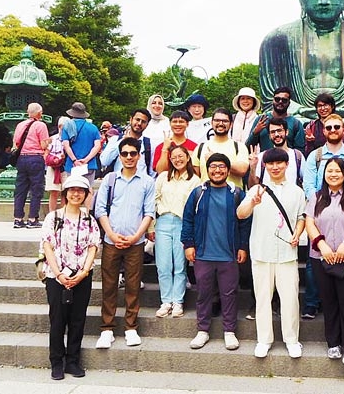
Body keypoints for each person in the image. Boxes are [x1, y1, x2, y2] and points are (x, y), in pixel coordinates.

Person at [237, 147, 306, 358]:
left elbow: (301, 217)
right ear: (264, 166)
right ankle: (264, 340)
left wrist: (297, 233)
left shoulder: (297, 191)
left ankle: (292, 340)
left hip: (287, 252)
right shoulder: (256, 190)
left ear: (286, 165)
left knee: (290, 299)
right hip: (261, 252)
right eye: (270, 163)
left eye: (279, 163)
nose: (275, 167)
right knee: (263, 298)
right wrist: (252, 202)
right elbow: (240, 214)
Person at [181, 153, 252, 351]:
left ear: (228, 171)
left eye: (222, 166)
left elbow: (245, 223)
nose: (217, 170)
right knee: (203, 294)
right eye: (213, 166)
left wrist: (242, 247)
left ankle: (229, 331)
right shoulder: (198, 193)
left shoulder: (237, 193)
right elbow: (188, 220)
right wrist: (188, 244)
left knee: (229, 294)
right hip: (203, 253)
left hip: (229, 254)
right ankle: (202, 330)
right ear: (207, 169)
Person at [305, 157, 344, 368]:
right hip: (322, 257)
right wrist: (320, 244)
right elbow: (309, 222)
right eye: (329, 171)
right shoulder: (317, 197)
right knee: (329, 299)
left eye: (337, 171)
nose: (333, 174)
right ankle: (333, 342)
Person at [301, 113, 344, 320]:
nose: (333, 130)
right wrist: (320, 204)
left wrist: (341, 202)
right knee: (315, 263)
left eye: (337, 127)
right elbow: (308, 183)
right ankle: (312, 302)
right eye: (328, 128)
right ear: (324, 131)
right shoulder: (316, 155)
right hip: (320, 210)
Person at [94, 137, 156, 349]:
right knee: (109, 285)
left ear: (139, 155)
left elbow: (149, 212)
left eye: (133, 153)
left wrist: (137, 235)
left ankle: (131, 327)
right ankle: (107, 328)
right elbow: (100, 209)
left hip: (135, 241)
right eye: (125, 154)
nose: (129, 157)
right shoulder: (110, 179)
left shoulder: (147, 181)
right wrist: (111, 234)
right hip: (111, 240)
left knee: (132, 285)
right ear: (119, 156)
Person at [40, 175, 100, 381]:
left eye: (80, 190)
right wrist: (58, 273)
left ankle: (73, 360)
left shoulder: (89, 220)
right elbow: (47, 245)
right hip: (55, 277)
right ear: (65, 194)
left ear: (85, 195)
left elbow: (93, 247)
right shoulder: (53, 217)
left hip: (82, 276)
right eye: (72, 190)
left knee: (77, 319)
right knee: (58, 320)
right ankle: (56, 362)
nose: (76, 194)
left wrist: (83, 273)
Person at [153, 144, 201, 318]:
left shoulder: (195, 180)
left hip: (183, 223)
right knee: (163, 264)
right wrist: (152, 226)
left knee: (180, 265)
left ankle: (178, 302)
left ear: (187, 158)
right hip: (163, 222)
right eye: (174, 157)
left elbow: (196, 206)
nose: (178, 160)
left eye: (181, 156)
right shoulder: (163, 177)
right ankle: (166, 301)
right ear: (170, 159)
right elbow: (154, 199)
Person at [192, 108, 249, 189]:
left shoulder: (239, 146)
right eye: (217, 120)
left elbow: (242, 170)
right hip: (207, 197)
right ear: (211, 123)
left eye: (225, 121)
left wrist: (214, 158)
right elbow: (196, 176)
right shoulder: (201, 147)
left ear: (231, 124)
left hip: (232, 197)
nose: (221, 123)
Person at [13, 103, 50, 229]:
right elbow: (44, 145)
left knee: (20, 189)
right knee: (36, 189)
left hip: (22, 158)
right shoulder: (41, 125)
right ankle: (32, 218)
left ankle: (18, 219)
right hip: (35, 158)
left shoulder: (20, 125)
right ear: (39, 113)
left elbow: (16, 143)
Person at [62, 102, 102, 209]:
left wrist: (75, 160)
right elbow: (97, 146)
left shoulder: (67, 126)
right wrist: (87, 159)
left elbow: (66, 145)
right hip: (89, 165)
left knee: (71, 189)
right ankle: (88, 214)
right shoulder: (93, 128)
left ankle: (70, 213)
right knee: (88, 188)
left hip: (72, 165)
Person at [248, 117, 305, 188]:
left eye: (279, 130)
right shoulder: (262, 157)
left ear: (286, 132)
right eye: (272, 132)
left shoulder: (297, 156)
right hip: (267, 197)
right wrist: (253, 168)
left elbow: (306, 181)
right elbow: (252, 187)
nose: (276, 134)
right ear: (269, 136)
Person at [246, 86, 305, 153]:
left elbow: (300, 151)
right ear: (273, 100)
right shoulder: (261, 120)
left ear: (289, 103)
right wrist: (255, 133)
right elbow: (248, 148)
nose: (280, 102)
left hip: (287, 161)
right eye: (277, 99)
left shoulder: (295, 123)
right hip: (265, 161)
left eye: (284, 100)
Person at [100, 108, 156, 178]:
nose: (139, 123)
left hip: (141, 185)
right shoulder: (115, 140)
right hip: (118, 183)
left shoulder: (150, 145)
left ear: (147, 125)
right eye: (137, 119)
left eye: (143, 121)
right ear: (131, 119)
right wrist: (122, 142)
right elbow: (104, 161)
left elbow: (152, 172)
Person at [46, 117, 69, 211]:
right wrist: (53, 159)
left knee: (66, 192)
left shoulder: (71, 139)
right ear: (60, 127)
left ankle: (64, 213)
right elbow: (46, 154)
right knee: (53, 192)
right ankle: (52, 214)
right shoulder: (53, 139)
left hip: (66, 167)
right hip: (54, 168)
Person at [304, 93, 336, 157]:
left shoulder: (340, 125)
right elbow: (308, 153)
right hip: (317, 160)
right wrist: (309, 142)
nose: (323, 108)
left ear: (332, 106)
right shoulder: (311, 126)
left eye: (326, 105)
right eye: (319, 106)